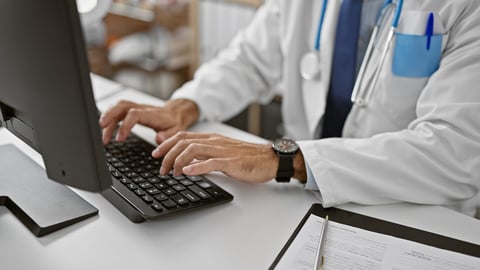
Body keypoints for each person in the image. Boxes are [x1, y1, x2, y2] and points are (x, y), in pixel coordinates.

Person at [100, 0, 480, 216]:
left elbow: (456, 151)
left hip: (418, 211)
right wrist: (185, 104)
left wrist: (286, 159)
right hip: (311, 195)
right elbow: (249, 58)